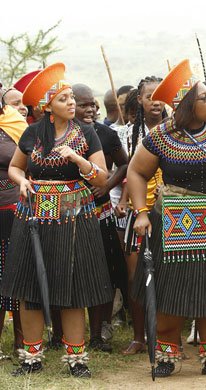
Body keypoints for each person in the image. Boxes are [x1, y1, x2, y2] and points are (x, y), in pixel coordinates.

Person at [128, 59, 206, 377]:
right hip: (174, 222)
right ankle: (167, 355)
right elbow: (136, 171)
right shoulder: (162, 136)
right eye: (204, 98)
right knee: (172, 288)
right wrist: (141, 213)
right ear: (186, 105)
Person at [0, 63, 112, 377]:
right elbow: (16, 167)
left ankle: (76, 359)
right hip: (33, 215)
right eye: (64, 98)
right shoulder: (32, 132)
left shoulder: (87, 133)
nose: (72, 102)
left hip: (75, 215)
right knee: (30, 284)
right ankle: (31, 357)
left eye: (71, 97)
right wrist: (21, 180)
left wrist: (78, 160)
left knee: (73, 286)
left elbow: (102, 179)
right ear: (47, 106)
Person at [72, 84, 128, 352]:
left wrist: (107, 185)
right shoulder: (58, 137)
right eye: (83, 104)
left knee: (104, 271)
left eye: (92, 104)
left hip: (100, 212)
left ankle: (98, 332)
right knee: (70, 273)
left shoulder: (106, 134)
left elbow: (125, 163)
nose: (90, 109)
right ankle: (63, 334)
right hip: (68, 215)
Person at [117, 76, 165, 355]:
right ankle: (139, 337)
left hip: (170, 212)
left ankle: (167, 340)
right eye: (150, 96)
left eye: (161, 96)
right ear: (140, 100)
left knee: (166, 278)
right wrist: (124, 201)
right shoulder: (129, 134)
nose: (156, 101)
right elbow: (128, 172)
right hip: (140, 213)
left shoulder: (178, 130)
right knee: (136, 277)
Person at [0, 102, 27, 359]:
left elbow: (28, 162)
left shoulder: (15, 123)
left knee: (16, 273)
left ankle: (22, 340)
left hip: (13, 208)